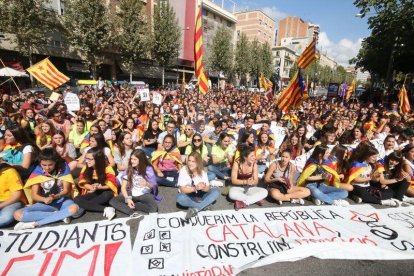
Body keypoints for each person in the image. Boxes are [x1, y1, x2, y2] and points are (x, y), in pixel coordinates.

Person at [13, 148, 79, 230]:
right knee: (17, 214)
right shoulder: (37, 171)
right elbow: (34, 195)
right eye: (44, 165)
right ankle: (60, 215)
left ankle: (36, 223)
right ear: (40, 163)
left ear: (56, 161)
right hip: (45, 203)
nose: (47, 168)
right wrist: (44, 199)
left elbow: (67, 190)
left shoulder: (63, 167)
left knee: (74, 208)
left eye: (50, 165)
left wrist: (55, 196)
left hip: (62, 201)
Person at [347, 142, 400, 207]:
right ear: (367, 156)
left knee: (389, 192)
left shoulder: (371, 165)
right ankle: (381, 201)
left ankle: (360, 197)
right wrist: (371, 177)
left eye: (376, 157)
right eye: (373, 157)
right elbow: (355, 179)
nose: (375, 159)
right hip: (357, 186)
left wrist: (377, 175)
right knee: (363, 193)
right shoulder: (358, 164)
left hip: (366, 186)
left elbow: (375, 180)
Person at [109, 149, 159, 216]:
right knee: (113, 201)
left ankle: (135, 205)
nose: (132, 161)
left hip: (144, 194)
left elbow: (153, 186)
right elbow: (123, 187)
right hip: (131, 195)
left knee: (154, 208)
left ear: (141, 160)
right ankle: (131, 212)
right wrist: (128, 199)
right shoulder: (129, 169)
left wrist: (146, 184)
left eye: (135, 159)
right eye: (131, 159)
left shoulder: (148, 169)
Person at [74, 147, 118, 219]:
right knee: (77, 199)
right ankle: (105, 209)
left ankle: (83, 207)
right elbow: (83, 182)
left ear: (98, 159)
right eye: (86, 158)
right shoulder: (86, 167)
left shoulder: (107, 168)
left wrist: (99, 187)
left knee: (107, 195)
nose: (87, 161)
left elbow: (111, 184)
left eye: (90, 159)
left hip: (104, 191)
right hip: (93, 193)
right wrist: (91, 187)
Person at [176, 152, 220, 219]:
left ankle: (196, 209)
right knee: (180, 198)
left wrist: (203, 187)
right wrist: (195, 188)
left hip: (200, 194)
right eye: (189, 161)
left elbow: (207, 188)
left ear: (198, 162)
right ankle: (204, 206)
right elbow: (182, 189)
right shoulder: (183, 170)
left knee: (216, 191)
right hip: (188, 195)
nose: (190, 163)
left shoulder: (202, 172)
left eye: (193, 161)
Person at [229, 145, 268, 210]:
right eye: (252, 156)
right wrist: (246, 182)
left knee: (265, 192)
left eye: (254, 155)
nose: (254, 157)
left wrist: (252, 182)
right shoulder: (237, 163)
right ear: (245, 157)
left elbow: (256, 181)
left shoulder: (254, 164)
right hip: (238, 187)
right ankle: (254, 199)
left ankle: (244, 202)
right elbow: (233, 180)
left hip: (250, 188)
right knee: (231, 194)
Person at [0, 162, 26, 228]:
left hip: (12, 202)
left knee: (5, 218)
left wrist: (1, 205)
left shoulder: (9, 172)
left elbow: (17, 196)